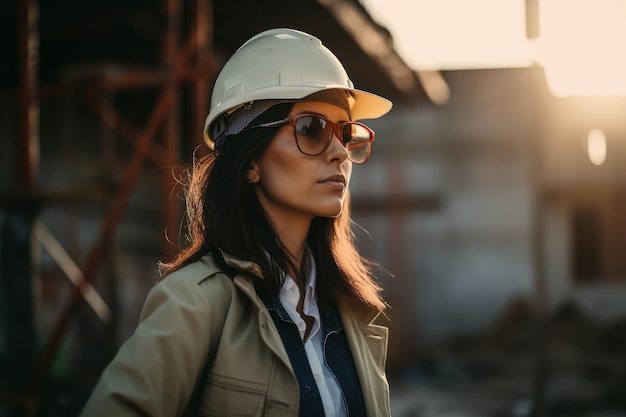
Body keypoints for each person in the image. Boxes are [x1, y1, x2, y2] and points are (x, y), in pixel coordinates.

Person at [80, 27, 393, 417]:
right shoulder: (194, 303)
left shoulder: (353, 311)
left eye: (346, 134)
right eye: (311, 129)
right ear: (250, 162)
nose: (338, 153)